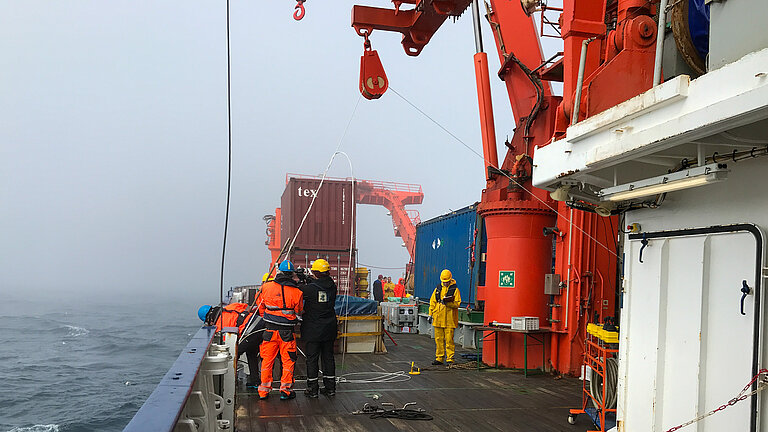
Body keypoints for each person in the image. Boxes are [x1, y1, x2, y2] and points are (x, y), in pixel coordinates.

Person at [258, 260, 304, 400]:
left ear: (279, 272)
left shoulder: (266, 287)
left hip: (269, 331)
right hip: (287, 333)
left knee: (267, 360)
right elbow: (299, 311)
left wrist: (269, 318)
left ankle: (264, 391)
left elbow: (261, 308)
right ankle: (286, 391)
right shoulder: (297, 292)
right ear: (292, 274)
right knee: (288, 361)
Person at [299, 259, 338, 398]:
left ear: (315, 272)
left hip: (313, 329)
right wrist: (310, 279)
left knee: (312, 359)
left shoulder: (309, 289)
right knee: (328, 358)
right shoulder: (332, 286)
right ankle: (330, 388)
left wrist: (299, 279)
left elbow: (300, 289)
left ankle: (313, 389)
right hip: (329, 328)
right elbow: (319, 287)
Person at [197, 302, 260, 387]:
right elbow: (246, 307)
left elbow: (226, 344)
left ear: (209, 319)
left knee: (234, 354)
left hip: (251, 330)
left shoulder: (220, 325)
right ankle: (255, 381)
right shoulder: (230, 307)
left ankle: (230, 384)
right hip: (259, 322)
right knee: (251, 352)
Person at [428, 269, 461, 366]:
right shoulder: (438, 289)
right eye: (444, 282)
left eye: (447, 282)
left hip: (449, 319)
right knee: (438, 339)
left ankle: (450, 358)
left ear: (450, 280)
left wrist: (448, 303)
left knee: (449, 340)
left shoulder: (455, 290)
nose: (445, 283)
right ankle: (439, 358)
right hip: (438, 318)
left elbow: (457, 304)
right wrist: (430, 314)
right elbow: (432, 302)